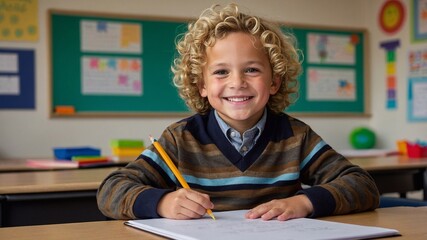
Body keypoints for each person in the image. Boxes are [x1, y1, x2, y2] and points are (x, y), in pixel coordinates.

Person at [97, 3, 379, 221]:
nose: (237, 83)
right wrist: (162, 203)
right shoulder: (181, 138)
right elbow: (110, 190)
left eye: (252, 70)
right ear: (202, 85)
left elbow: (363, 185)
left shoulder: (295, 136)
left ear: (274, 81)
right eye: (221, 72)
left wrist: (303, 203)